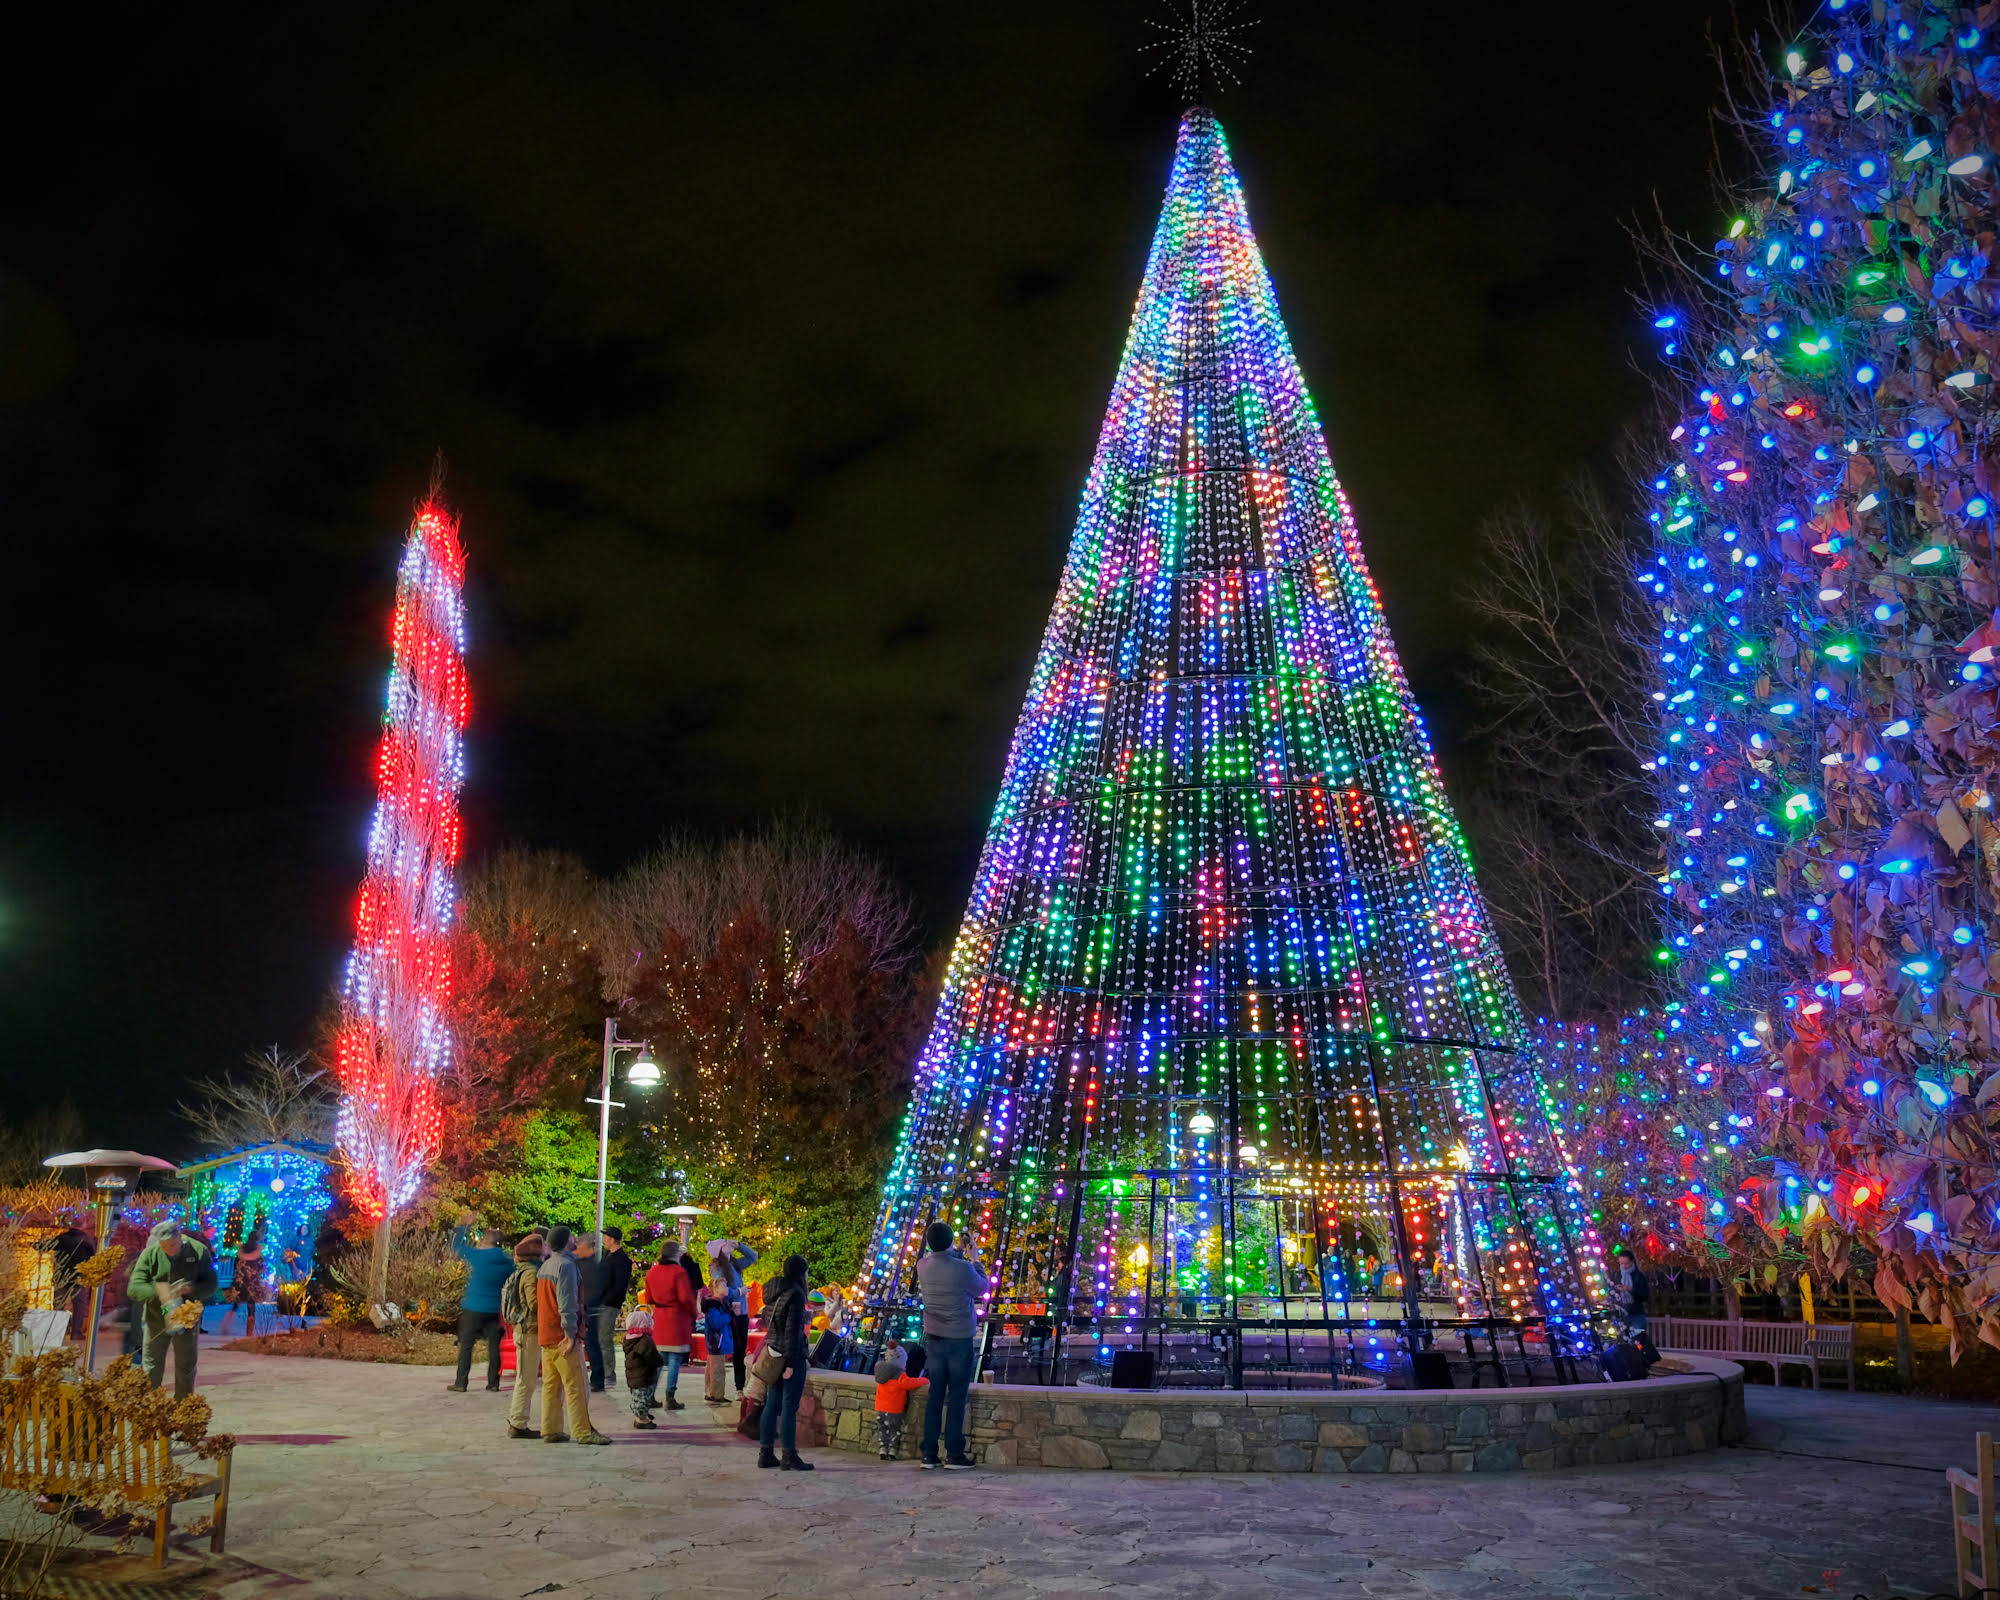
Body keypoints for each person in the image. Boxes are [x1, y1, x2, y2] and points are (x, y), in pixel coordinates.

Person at [916, 1221, 988, 1470]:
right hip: (959, 1339)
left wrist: (958, 1251)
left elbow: (946, 1263)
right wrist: (975, 1258)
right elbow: (982, 1287)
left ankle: (928, 1453)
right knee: (957, 1395)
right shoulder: (964, 1268)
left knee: (935, 1394)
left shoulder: (922, 1265)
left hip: (934, 1339)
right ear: (949, 1242)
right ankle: (954, 1453)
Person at [127, 1219, 217, 1399]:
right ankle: (150, 1404)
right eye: (164, 1245)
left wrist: (192, 1288)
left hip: (186, 1317)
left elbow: (211, 1284)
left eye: (173, 1244)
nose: (169, 1248)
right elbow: (134, 1288)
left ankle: (183, 1405)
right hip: (156, 1318)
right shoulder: (150, 1254)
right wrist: (160, 1291)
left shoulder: (198, 1251)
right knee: (151, 1364)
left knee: (186, 1364)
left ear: (180, 1238)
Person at [536, 1226, 609, 1445]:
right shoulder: (566, 1266)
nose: (574, 1238)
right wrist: (570, 1333)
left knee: (552, 1385)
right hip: (562, 1335)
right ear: (565, 1241)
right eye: (571, 1236)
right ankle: (582, 1431)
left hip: (547, 1333)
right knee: (576, 1386)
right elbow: (567, 1302)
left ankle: (550, 1428)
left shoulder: (545, 1265)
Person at [756, 1254, 814, 1471]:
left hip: (774, 1352)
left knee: (772, 1404)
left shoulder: (773, 1292)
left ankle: (766, 1452)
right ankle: (789, 1454)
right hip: (790, 1356)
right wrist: (790, 1364)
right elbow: (792, 1331)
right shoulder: (796, 1295)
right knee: (789, 1407)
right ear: (801, 1272)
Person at [450, 1213, 513, 1393]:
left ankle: (461, 1382)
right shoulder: (505, 1261)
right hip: (493, 1309)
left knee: (467, 1345)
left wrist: (465, 1225)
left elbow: (457, 1246)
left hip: (473, 1306)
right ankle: (493, 1382)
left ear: (485, 1241)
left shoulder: (477, 1256)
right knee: (494, 1347)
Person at [501, 1232, 547, 1439]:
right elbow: (534, 1303)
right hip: (529, 1330)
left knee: (525, 1377)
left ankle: (518, 1421)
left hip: (525, 1329)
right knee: (526, 1378)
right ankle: (518, 1423)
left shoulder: (524, 1270)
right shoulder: (531, 1273)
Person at [642, 1239, 696, 1412]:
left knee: (658, 1360)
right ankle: (670, 1396)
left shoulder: (652, 1272)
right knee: (674, 1359)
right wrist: (694, 1312)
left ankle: (649, 1395)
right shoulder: (679, 1272)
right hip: (677, 1318)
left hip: (660, 1318)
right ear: (676, 1254)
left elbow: (648, 1299)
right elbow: (686, 1298)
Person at [705, 1237, 760, 1395]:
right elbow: (719, 1291)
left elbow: (753, 1257)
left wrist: (741, 1246)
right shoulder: (717, 1268)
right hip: (729, 1313)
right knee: (721, 1352)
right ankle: (713, 1390)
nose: (728, 1243)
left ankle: (739, 1387)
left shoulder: (734, 1264)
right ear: (719, 1250)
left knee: (741, 1349)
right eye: (724, 1243)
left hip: (741, 1312)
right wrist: (739, 1292)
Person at [872, 1342, 929, 1461]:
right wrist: (924, 1380)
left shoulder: (881, 1374)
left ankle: (882, 1448)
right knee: (894, 1430)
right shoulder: (899, 1375)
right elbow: (910, 1383)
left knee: (882, 1429)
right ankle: (892, 1450)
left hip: (881, 1408)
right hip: (894, 1409)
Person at [595, 1225, 633, 1393]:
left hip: (609, 1304)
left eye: (605, 1237)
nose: (603, 1240)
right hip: (602, 1302)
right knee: (600, 1337)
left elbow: (619, 1285)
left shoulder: (621, 1260)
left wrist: (606, 1299)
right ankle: (603, 1369)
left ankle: (608, 1371)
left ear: (612, 1239)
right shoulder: (608, 1256)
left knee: (604, 1338)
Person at [42, 1225, 94, 1340]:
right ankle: (76, 1332)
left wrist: (33, 1244)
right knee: (79, 1306)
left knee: (58, 1305)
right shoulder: (85, 1241)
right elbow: (93, 1257)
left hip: (61, 1277)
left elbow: (43, 1246)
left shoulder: (62, 1239)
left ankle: (57, 1333)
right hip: (77, 1278)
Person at [218, 1221, 266, 1338]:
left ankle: (225, 1323)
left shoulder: (241, 1251)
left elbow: (236, 1265)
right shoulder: (258, 1253)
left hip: (240, 1283)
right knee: (251, 1305)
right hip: (251, 1284)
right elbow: (261, 1268)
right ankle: (249, 1333)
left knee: (236, 1304)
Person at [576, 1233, 608, 1392]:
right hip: (589, 1308)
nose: (577, 1250)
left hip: (589, 1309)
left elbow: (591, 1289)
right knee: (591, 1344)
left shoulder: (589, 1266)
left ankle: (597, 1379)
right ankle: (597, 1378)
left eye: (580, 1247)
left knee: (591, 1344)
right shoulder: (588, 1264)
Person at [622, 1307, 661, 1428]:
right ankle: (641, 1419)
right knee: (643, 1397)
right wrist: (659, 1361)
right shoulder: (645, 1340)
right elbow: (651, 1356)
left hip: (634, 1375)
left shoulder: (629, 1338)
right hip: (644, 1375)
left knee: (637, 1396)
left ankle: (640, 1414)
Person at [701, 1290, 733, 1403]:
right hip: (717, 1341)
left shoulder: (718, 1304)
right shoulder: (713, 1306)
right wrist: (729, 1315)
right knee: (718, 1369)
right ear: (715, 1289)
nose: (726, 1288)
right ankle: (717, 1395)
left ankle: (710, 1392)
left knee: (712, 1367)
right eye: (723, 1285)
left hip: (716, 1340)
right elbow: (716, 1323)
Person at [1614, 1246, 1651, 1336]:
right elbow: (1611, 1291)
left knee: (1637, 1338)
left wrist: (1630, 1289)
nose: (1624, 1266)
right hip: (1621, 1314)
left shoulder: (1638, 1276)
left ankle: (1640, 1350)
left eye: (1626, 1264)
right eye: (1621, 1264)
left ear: (1632, 1262)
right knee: (1624, 1339)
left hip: (1636, 1313)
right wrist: (1616, 1290)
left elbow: (1645, 1296)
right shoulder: (1617, 1275)